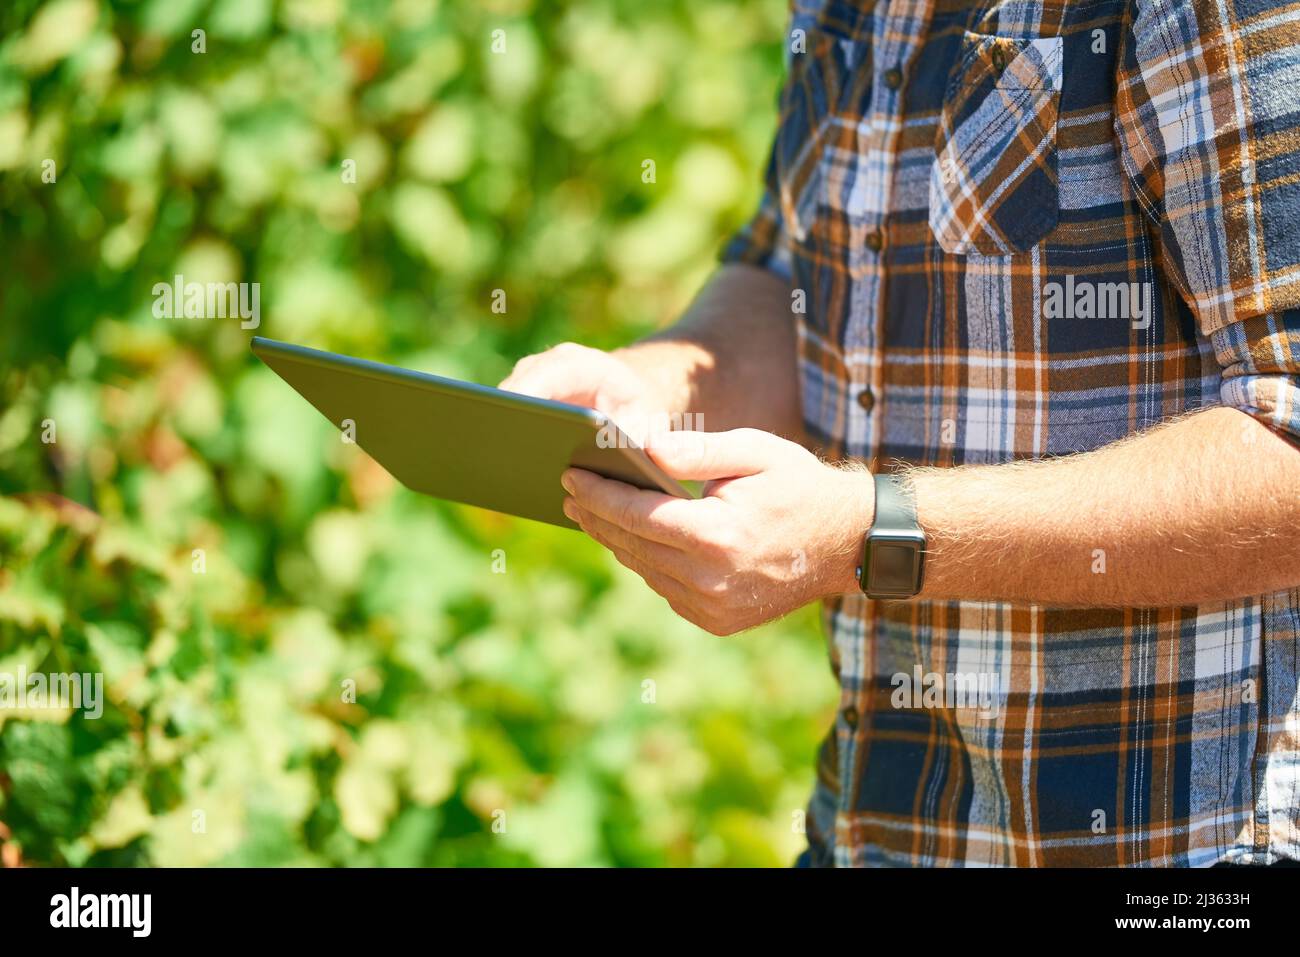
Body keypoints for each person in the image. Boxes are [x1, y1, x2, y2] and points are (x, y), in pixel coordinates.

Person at [499, 0, 1300, 867]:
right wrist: (650, 390)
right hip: (879, 829)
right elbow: (787, 277)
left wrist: (871, 534)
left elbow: (1285, 438)